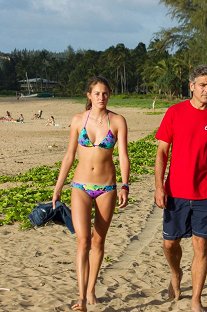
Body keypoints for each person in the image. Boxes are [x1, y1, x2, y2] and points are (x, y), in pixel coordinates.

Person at [154, 64, 207, 312]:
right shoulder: (174, 112)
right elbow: (161, 152)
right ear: (191, 86)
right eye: (202, 85)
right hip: (175, 192)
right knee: (170, 244)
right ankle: (176, 273)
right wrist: (159, 187)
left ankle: (196, 300)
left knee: (201, 246)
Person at [52, 76, 130, 311]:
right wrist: (58, 187)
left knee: (98, 241)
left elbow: (124, 156)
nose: (101, 97)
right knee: (83, 240)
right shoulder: (78, 120)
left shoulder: (117, 121)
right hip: (80, 186)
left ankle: (91, 288)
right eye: (97, 93)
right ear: (89, 95)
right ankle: (82, 298)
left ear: (109, 95)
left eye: (105, 93)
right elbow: (68, 156)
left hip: (107, 187)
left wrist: (125, 185)